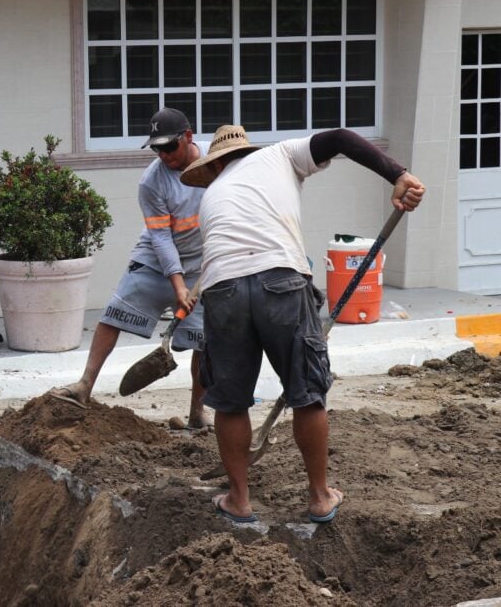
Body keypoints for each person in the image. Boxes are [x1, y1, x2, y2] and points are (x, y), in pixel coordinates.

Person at [180, 124, 425, 524]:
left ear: (216, 164)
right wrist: (398, 175)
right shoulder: (280, 154)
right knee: (307, 394)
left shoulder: (215, 193)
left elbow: (228, 255)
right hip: (279, 279)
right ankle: (319, 496)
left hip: (222, 288)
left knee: (230, 402)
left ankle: (239, 501)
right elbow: (342, 138)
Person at [49, 107, 210, 427]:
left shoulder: (217, 159)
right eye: (156, 148)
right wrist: (178, 285)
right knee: (113, 313)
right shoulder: (152, 182)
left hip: (203, 264)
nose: (162, 155)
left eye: (169, 147)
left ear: (188, 137)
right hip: (155, 259)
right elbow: (161, 238)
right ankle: (84, 386)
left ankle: (198, 412)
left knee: (204, 340)